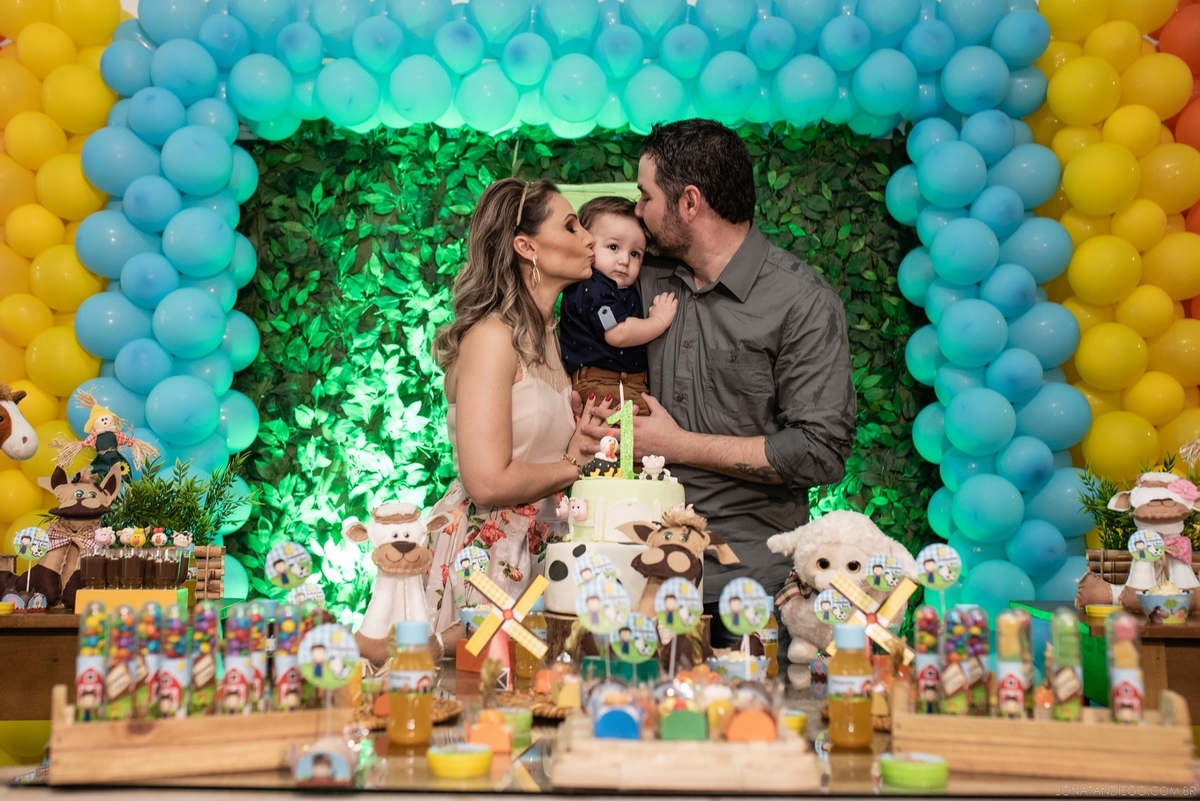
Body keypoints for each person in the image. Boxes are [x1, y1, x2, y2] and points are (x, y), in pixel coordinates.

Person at [616, 119, 856, 648]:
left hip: (748, 590)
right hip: (636, 583)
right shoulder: (641, 276)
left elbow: (820, 452)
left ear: (690, 202)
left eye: (646, 196)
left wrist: (680, 445)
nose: (637, 210)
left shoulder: (801, 302)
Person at [424, 178, 613, 646]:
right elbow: (487, 481)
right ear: (527, 247)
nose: (588, 239)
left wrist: (584, 439)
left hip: (540, 554)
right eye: (571, 227)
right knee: (481, 685)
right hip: (489, 559)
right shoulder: (492, 337)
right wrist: (572, 464)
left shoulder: (550, 337)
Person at [559, 196, 678, 415]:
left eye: (635, 254)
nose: (625, 260)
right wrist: (659, 321)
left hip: (621, 385)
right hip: (606, 384)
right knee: (627, 433)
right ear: (587, 245)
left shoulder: (616, 288)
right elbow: (618, 333)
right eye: (613, 247)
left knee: (632, 432)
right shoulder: (593, 287)